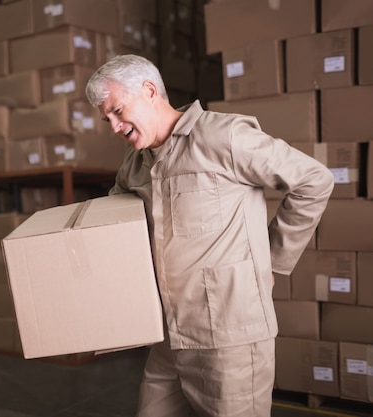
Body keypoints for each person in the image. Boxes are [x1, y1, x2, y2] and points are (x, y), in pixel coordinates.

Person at [85, 54, 334, 417]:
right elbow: (119, 228)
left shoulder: (223, 137)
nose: (113, 125)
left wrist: (275, 264)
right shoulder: (134, 164)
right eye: (105, 117)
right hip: (169, 337)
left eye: (117, 111)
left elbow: (314, 181)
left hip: (229, 338)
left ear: (150, 91)